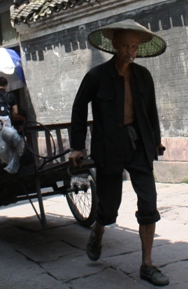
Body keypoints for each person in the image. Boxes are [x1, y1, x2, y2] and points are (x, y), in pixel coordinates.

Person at [69, 20, 169, 286]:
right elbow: (79, 109)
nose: (130, 50)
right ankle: (98, 231)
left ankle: (147, 264)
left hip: (139, 146)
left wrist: (156, 141)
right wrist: (77, 146)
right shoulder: (96, 76)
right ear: (114, 45)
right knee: (109, 207)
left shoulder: (143, 76)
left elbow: (151, 112)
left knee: (148, 202)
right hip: (108, 147)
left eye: (134, 46)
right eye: (125, 45)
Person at [0, 76, 23, 152]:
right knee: (9, 147)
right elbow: (16, 111)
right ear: (6, 85)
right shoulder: (11, 95)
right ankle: (8, 163)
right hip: (8, 125)